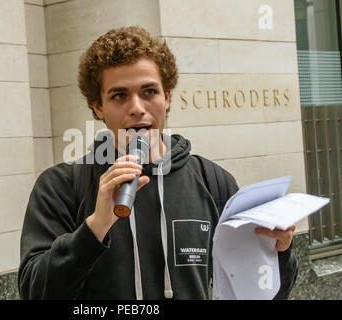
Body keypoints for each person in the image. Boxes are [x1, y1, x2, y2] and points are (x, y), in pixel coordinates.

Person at [18, 26, 298, 300]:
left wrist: (278, 251)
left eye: (149, 92)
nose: (137, 107)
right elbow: (34, 292)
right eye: (119, 95)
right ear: (98, 106)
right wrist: (94, 229)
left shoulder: (213, 181)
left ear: (167, 98)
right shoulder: (60, 187)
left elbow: (260, 290)